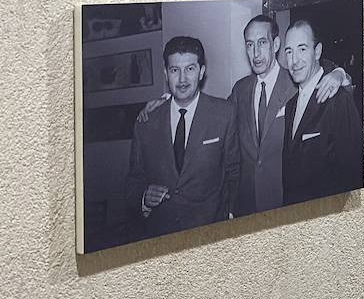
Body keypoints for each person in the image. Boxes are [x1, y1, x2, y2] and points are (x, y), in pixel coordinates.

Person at [228, 14, 351, 217]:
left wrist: (340, 73)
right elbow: (218, 119)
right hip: (247, 206)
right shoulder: (240, 90)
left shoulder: (296, 81)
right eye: (249, 45)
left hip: (285, 203)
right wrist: (170, 102)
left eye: (262, 43)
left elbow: (320, 71)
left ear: (275, 44)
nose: (256, 53)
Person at [124, 36, 240, 241]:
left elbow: (235, 173)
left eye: (190, 69)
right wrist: (144, 198)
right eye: (175, 70)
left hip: (210, 235)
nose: (183, 79)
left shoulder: (224, 114)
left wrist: (229, 217)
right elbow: (133, 180)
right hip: (160, 237)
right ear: (166, 74)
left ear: (202, 72)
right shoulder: (147, 121)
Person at [281, 18, 363, 207]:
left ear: (317, 51)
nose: (294, 61)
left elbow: (352, 175)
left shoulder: (338, 100)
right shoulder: (291, 105)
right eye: (289, 51)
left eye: (302, 49)